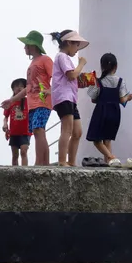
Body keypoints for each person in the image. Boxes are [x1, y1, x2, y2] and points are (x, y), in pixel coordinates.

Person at [2, 30, 53, 166]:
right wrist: (11, 100)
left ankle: (40, 163)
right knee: (38, 131)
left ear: (33, 46)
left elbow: (57, 77)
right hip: (32, 103)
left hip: (43, 101)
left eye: (26, 44)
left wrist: (50, 90)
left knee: (38, 129)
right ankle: (44, 163)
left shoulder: (45, 60)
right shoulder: (31, 65)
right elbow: (28, 87)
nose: (24, 47)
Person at [49, 29, 89, 167]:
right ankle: (62, 161)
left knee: (77, 132)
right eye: (76, 45)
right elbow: (71, 75)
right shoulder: (62, 56)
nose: (77, 49)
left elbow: (72, 77)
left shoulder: (64, 58)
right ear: (68, 43)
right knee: (67, 129)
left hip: (70, 98)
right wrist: (81, 64)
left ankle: (71, 162)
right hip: (64, 97)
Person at [86, 53, 132, 166]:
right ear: (115, 66)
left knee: (96, 140)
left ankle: (111, 157)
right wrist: (128, 97)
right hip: (115, 112)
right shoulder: (120, 81)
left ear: (101, 66)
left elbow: (93, 99)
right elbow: (122, 100)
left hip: (101, 111)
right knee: (107, 139)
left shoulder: (97, 81)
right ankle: (110, 163)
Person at [3, 78, 31, 166]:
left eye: (21, 86)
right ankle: (15, 174)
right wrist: (5, 124)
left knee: (23, 152)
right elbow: (5, 116)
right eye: (16, 86)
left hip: (25, 132)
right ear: (13, 89)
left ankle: (25, 172)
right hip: (14, 132)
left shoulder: (28, 101)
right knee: (15, 155)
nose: (19, 88)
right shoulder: (10, 103)